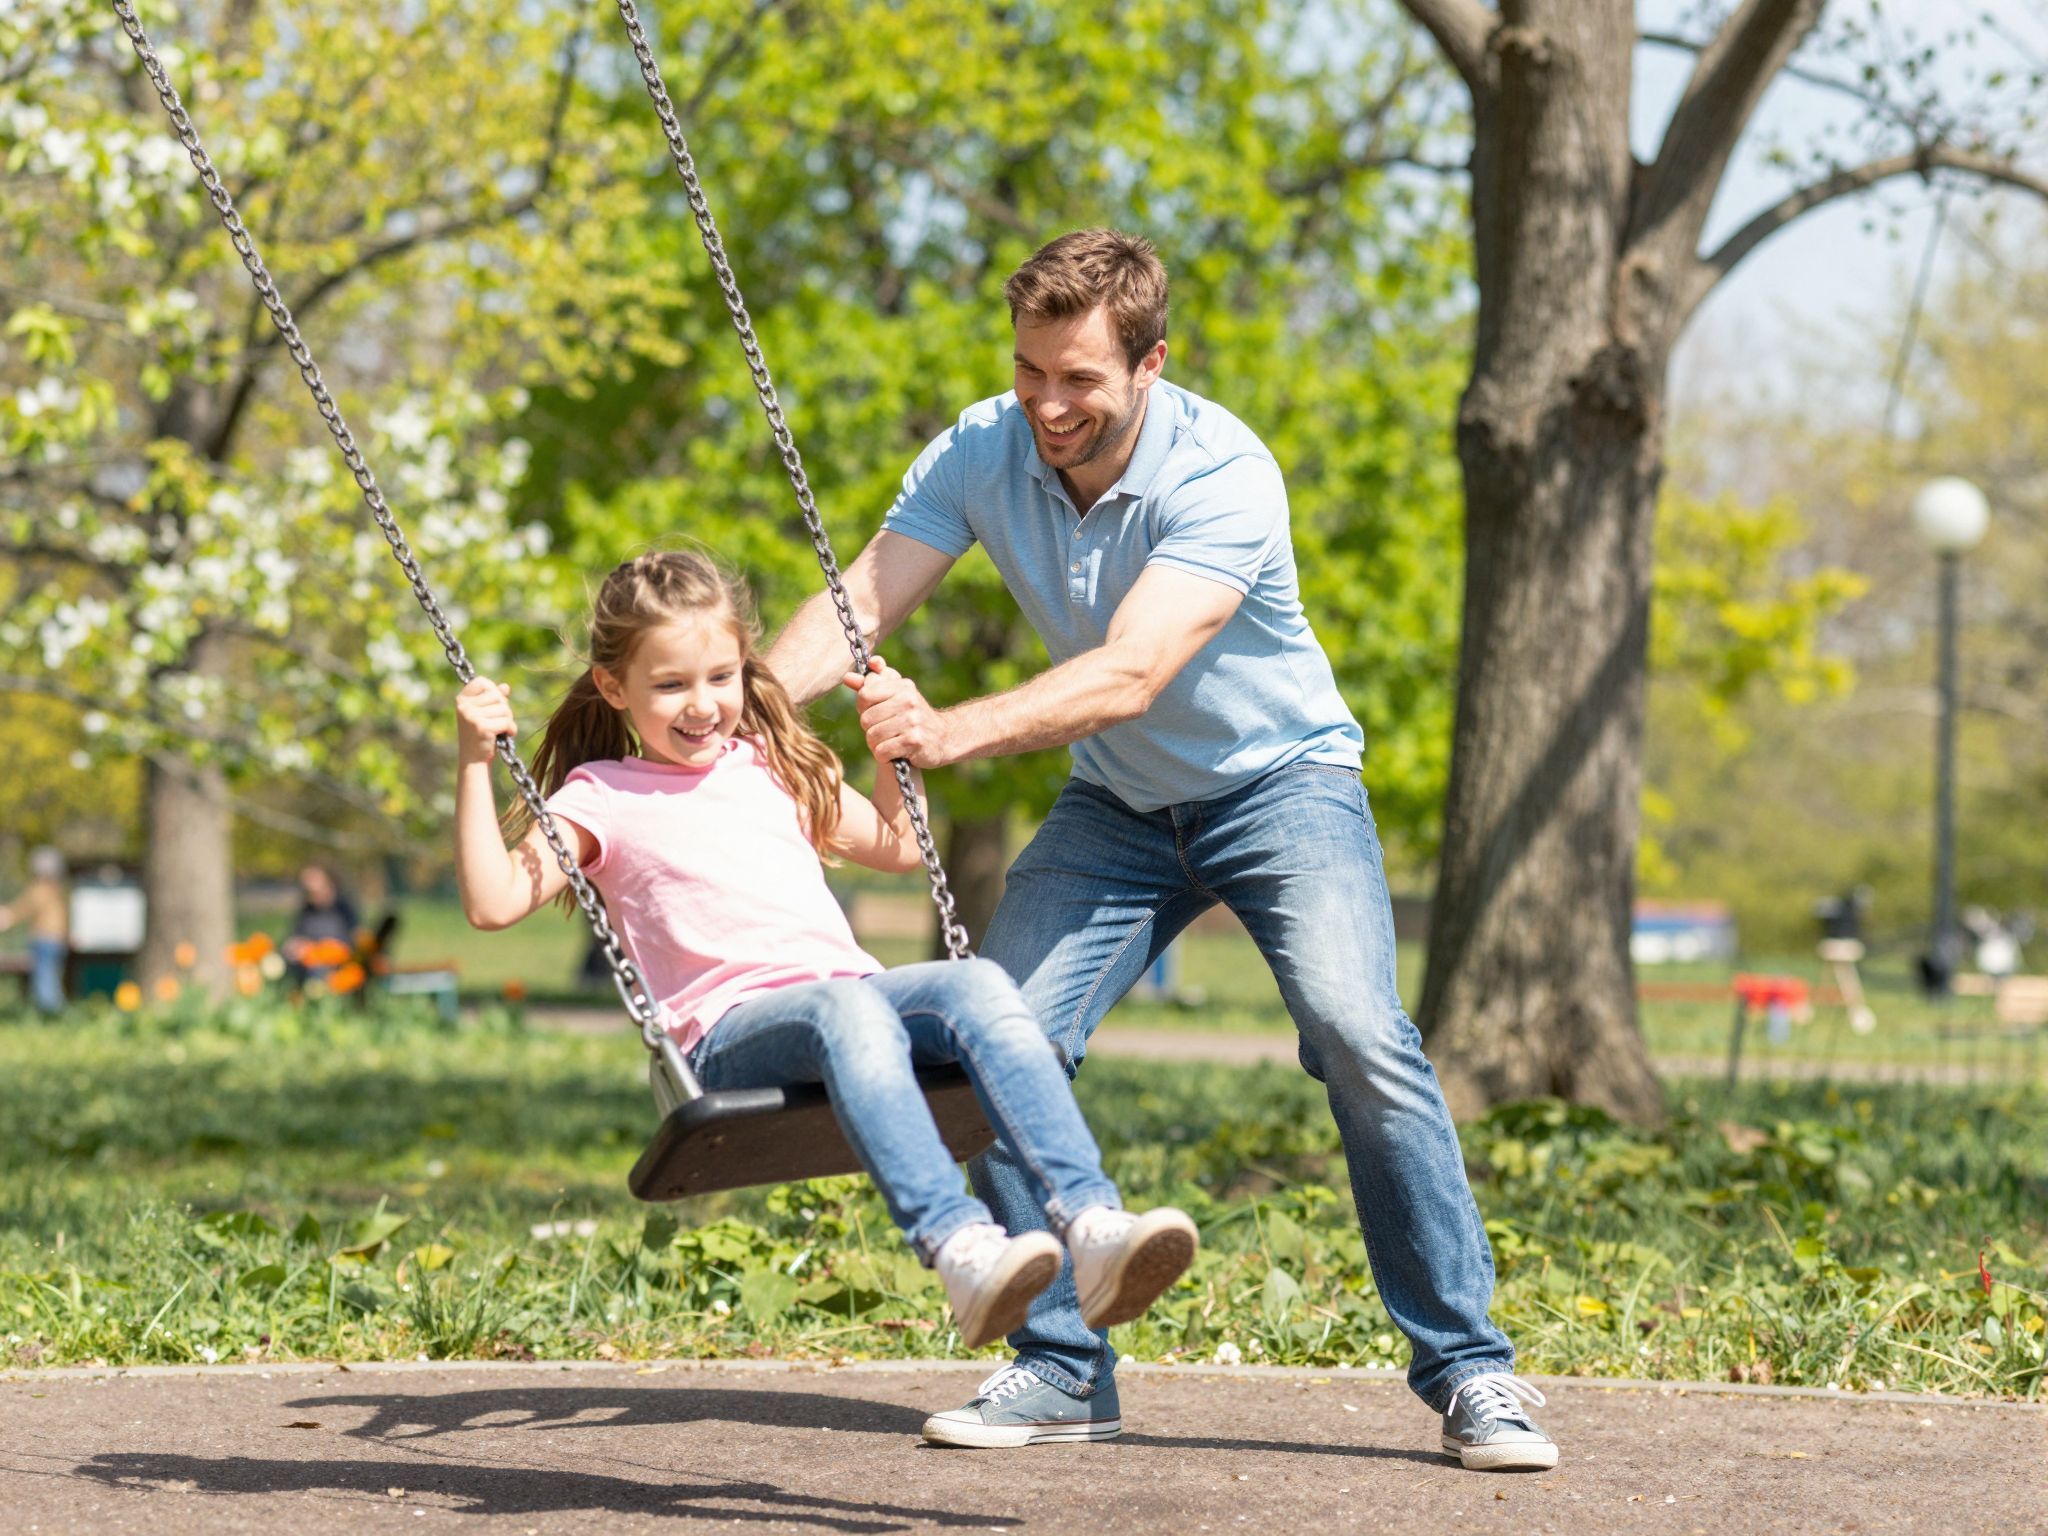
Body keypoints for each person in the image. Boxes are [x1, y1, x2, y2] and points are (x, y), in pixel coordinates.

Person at [766, 230, 1556, 1469]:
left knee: (1357, 1035)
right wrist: (738, 720)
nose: (1047, 403)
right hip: (1117, 811)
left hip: (1277, 788)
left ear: (1149, 363)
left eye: (1077, 378)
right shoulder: (983, 446)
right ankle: (1063, 1370)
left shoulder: (1223, 471)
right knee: (988, 1037)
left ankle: (1471, 1373)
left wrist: (945, 733)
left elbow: (1133, 672)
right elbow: (865, 593)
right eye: (1030, 371)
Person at [451, 548, 1198, 1365]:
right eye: (670, 686)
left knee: (981, 983)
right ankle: (960, 1251)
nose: (702, 706)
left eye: (722, 677)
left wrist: (890, 753)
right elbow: (494, 904)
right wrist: (475, 762)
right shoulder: (600, 795)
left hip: (854, 1008)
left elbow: (896, 846)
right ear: (614, 688)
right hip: (729, 1038)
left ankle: (1091, 1224)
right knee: (847, 1006)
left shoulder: (766, 765)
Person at [0, 846, 70, 1015]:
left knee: (44, 976)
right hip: (57, 939)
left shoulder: (40, 889)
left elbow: (26, 907)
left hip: (45, 938)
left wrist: (9, 916)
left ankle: (49, 1011)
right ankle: (54, 1009)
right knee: (51, 974)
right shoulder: (56, 890)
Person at [283, 863, 360, 986]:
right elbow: (296, 936)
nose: (311, 890)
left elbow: (354, 941)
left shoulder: (343, 910)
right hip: (310, 963)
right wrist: (294, 946)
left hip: (339, 966)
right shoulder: (306, 911)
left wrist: (324, 951)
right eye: (307, 889)